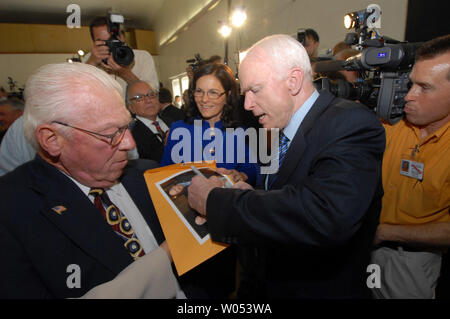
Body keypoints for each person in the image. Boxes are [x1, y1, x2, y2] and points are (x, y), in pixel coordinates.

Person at [187, 34, 385, 298]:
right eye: (245, 94)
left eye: (255, 90)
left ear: (292, 81)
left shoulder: (350, 124)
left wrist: (215, 200)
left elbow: (324, 215)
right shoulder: (283, 128)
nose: (247, 104)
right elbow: (289, 197)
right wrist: (247, 193)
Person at [0, 62, 184, 299]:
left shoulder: (144, 174)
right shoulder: (10, 212)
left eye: (127, 127)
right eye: (111, 133)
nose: (129, 144)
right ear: (52, 140)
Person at [370, 34, 450, 299]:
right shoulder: (393, 124)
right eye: (411, 83)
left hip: (411, 263)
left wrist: (385, 232)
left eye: (424, 88)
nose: (409, 95)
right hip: (364, 251)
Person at [160, 62, 259, 186]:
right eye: (199, 91)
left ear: (227, 96)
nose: (204, 99)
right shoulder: (178, 129)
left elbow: (252, 170)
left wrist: (241, 175)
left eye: (213, 92)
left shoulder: (241, 132)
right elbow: (164, 175)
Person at [84, 16, 159, 92]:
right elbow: (78, 90)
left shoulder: (142, 57)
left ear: (122, 36)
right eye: (102, 42)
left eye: (112, 39)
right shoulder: (90, 59)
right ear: (94, 42)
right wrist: (92, 62)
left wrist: (125, 73)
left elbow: (152, 94)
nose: (109, 44)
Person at [126, 80, 168, 162]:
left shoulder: (174, 121)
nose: (148, 100)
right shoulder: (130, 135)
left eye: (151, 95)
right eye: (139, 97)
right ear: (130, 107)